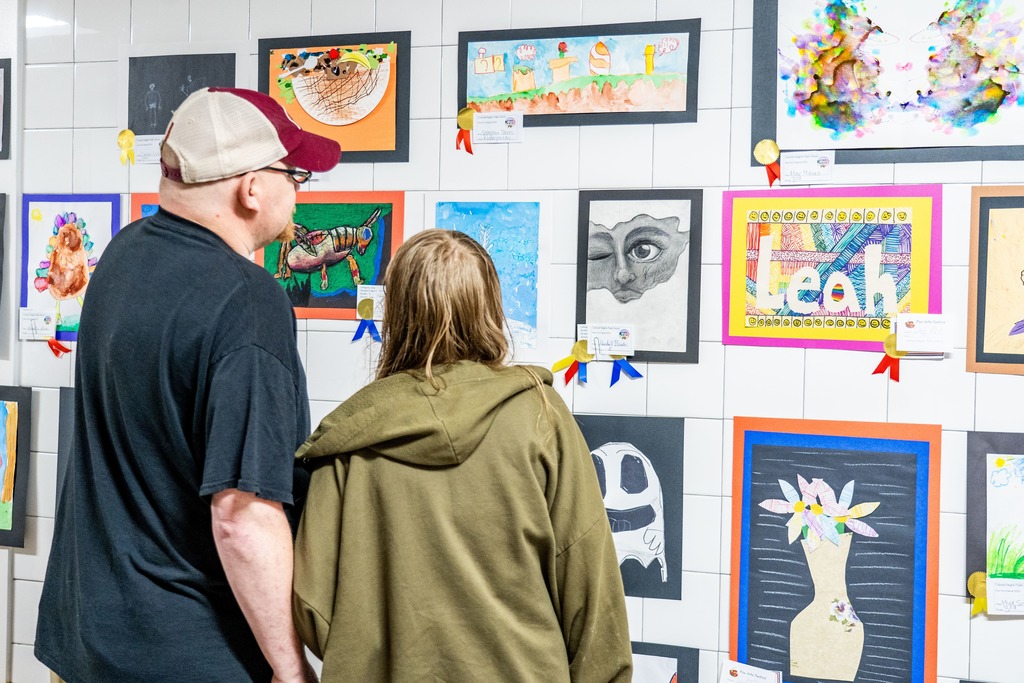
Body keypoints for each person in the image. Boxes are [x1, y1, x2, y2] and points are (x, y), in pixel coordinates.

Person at [35, 87, 341, 682]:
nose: (299, 191)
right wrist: (289, 667)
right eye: (296, 174)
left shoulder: (121, 257)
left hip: (84, 641)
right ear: (252, 187)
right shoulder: (247, 301)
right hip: (186, 653)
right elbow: (241, 515)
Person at [292, 229, 633, 681]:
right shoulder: (539, 415)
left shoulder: (349, 437)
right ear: (489, 307)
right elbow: (591, 590)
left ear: (397, 312)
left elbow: (313, 609)